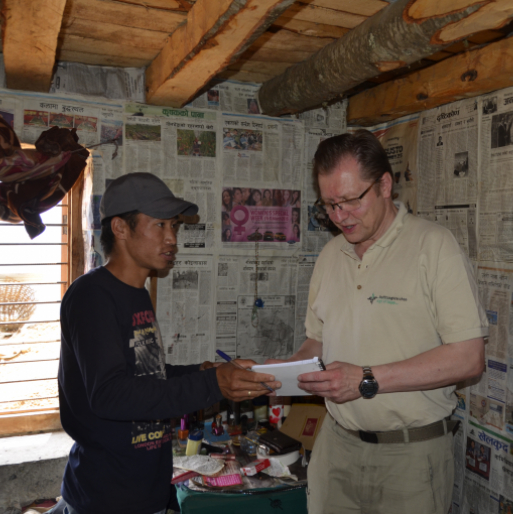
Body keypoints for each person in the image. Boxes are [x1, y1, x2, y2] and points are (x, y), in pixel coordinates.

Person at [272, 130, 487, 514]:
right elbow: (317, 342)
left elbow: (469, 358)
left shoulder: (434, 246)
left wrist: (367, 378)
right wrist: (288, 371)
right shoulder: (330, 256)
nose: (340, 217)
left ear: (385, 185)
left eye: (351, 201)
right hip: (336, 446)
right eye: (330, 205)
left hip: (410, 456)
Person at [52, 173, 279, 514]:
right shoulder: (91, 296)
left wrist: (202, 371)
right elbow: (110, 395)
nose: (172, 238)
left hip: (146, 490)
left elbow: (145, 376)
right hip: (107, 498)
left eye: (174, 227)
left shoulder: (136, 294)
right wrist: (213, 384)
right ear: (120, 228)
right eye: (160, 226)